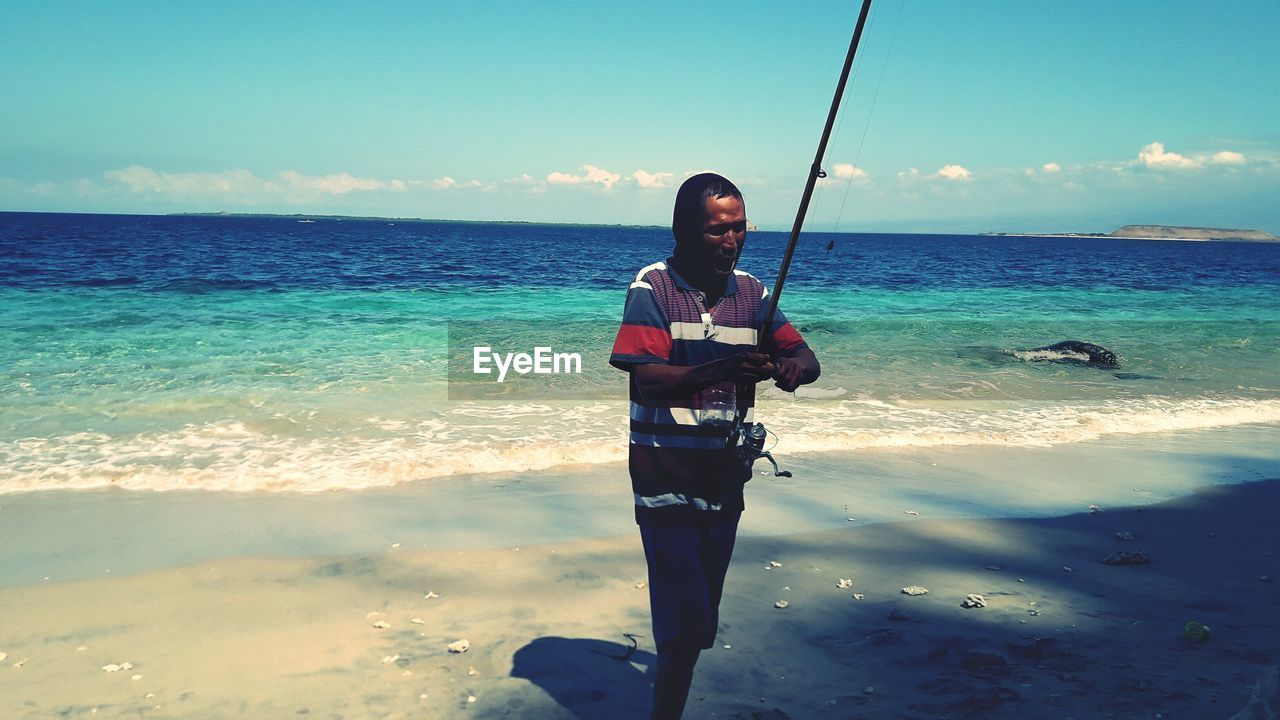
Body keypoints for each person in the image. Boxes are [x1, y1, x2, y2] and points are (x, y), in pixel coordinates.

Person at [610, 173, 820, 719]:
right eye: (717, 230)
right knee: (687, 618)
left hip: (725, 477)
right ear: (683, 230)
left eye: (739, 228)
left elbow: (807, 359)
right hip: (663, 473)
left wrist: (788, 368)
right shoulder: (652, 286)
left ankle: (671, 680)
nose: (732, 240)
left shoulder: (753, 292)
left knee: (701, 623)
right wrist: (723, 366)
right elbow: (647, 380)